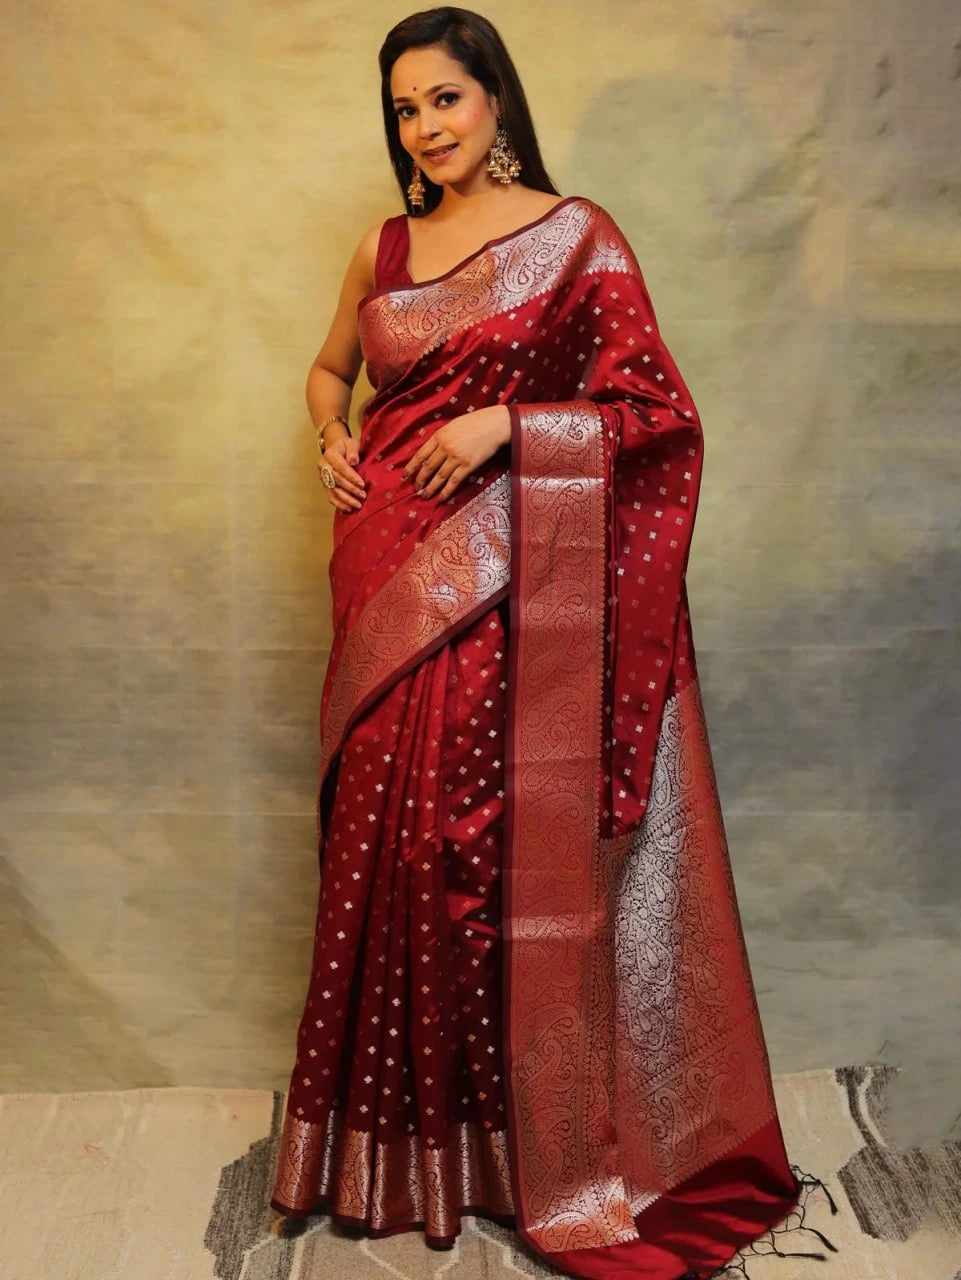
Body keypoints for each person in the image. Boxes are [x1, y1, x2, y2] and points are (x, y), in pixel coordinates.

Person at [268, 8, 837, 1279]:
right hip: (384, 575)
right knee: (386, 837)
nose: (426, 127)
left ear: (495, 103)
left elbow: (652, 410)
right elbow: (326, 373)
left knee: (475, 843)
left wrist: (507, 428)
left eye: (446, 100)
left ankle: (512, 1144)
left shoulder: (579, 237)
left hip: (514, 574)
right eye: (407, 108)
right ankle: (392, 1145)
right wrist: (326, 437)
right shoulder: (380, 248)